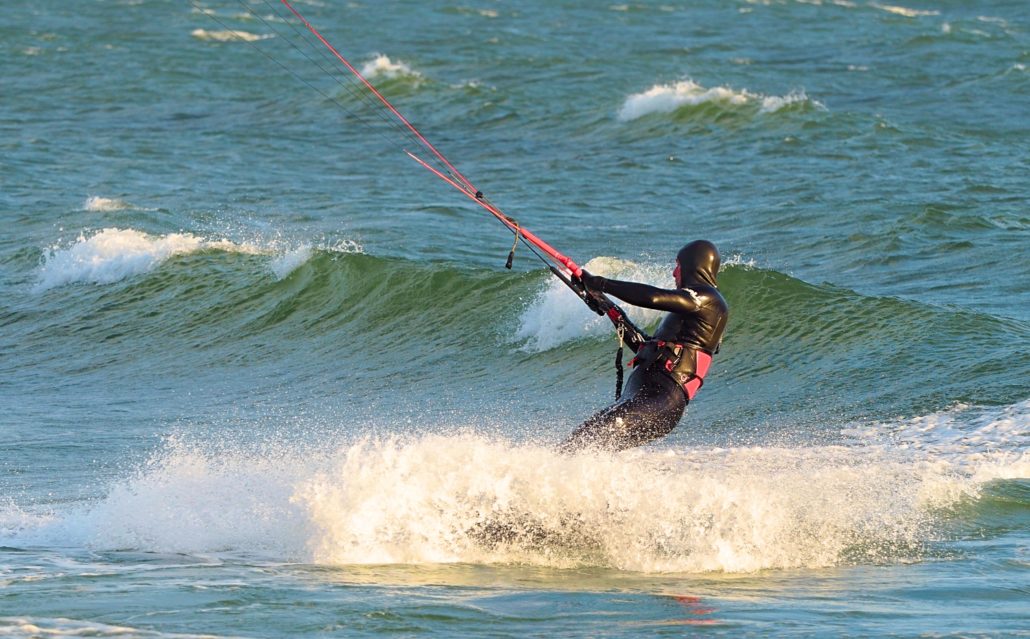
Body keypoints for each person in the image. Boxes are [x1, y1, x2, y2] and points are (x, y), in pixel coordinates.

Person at [559, 240, 729, 452]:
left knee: (587, 443)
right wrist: (604, 303)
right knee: (579, 442)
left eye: (678, 265)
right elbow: (645, 348)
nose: (674, 272)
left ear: (693, 265)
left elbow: (654, 297)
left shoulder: (708, 299)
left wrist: (601, 283)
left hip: (660, 401)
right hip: (639, 396)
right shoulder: (688, 313)